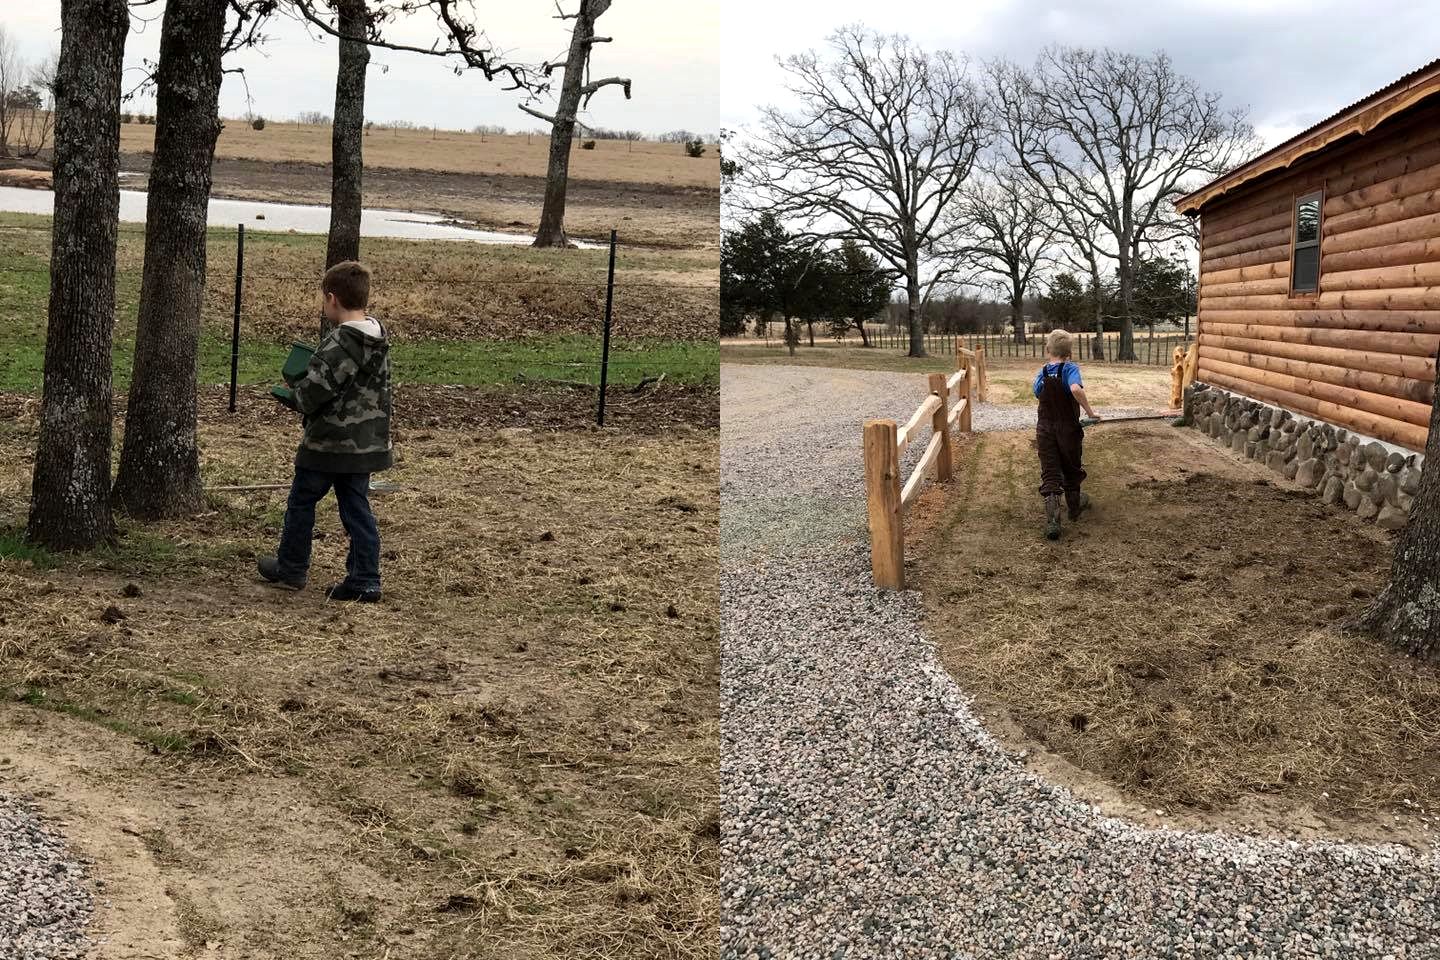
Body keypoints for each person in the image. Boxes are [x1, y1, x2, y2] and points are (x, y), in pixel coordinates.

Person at [258, 261, 393, 601]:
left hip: (327, 444)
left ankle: (291, 568)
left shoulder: (339, 344)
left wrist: (293, 390)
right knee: (356, 509)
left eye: (323, 299)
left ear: (332, 299)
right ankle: (366, 579)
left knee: (302, 501)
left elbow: (311, 395)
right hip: (364, 446)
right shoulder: (377, 339)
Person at [1033, 329, 1099, 540]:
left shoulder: (1042, 373)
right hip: (1068, 430)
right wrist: (1090, 413)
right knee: (1071, 467)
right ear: (1069, 353)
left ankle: (1053, 522)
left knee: (1050, 471)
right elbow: (1076, 389)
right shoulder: (1070, 369)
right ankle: (1074, 507)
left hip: (1045, 430)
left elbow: (1037, 393)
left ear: (1047, 350)